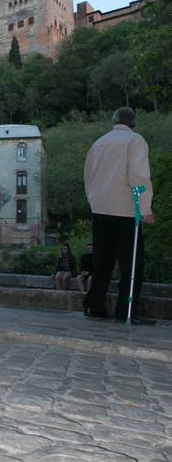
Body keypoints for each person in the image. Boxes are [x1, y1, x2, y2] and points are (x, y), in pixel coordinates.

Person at [83, 107, 155, 324]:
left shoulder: (98, 143)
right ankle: (127, 311)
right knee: (131, 264)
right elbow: (138, 177)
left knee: (102, 262)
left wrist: (93, 200)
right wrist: (145, 209)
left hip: (100, 207)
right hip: (124, 209)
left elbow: (89, 176)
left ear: (114, 121)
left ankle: (94, 306)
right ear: (134, 122)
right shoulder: (135, 141)